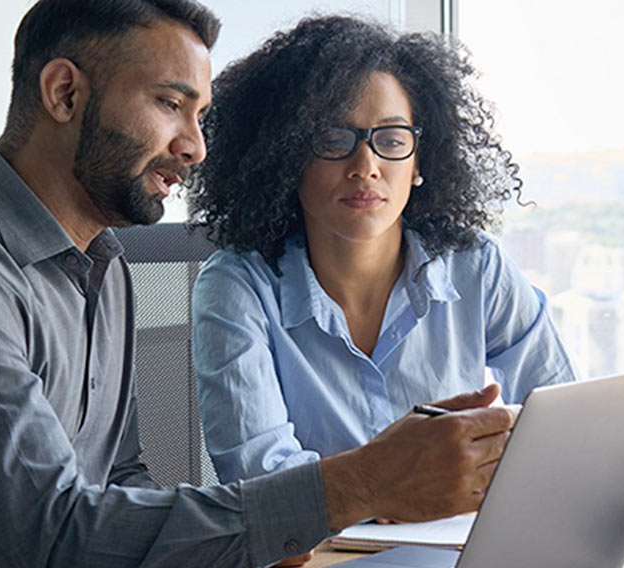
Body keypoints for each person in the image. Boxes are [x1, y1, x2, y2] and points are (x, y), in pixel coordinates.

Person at [0, 2, 517, 567]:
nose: (193, 147)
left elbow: (118, 482)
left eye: (200, 116)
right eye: (170, 105)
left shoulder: (102, 266)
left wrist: (270, 535)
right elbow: (56, 536)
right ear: (64, 94)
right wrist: (357, 485)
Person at [189, 16, 575, 489]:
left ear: (418, 163)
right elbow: (262, 483)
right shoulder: (236, 287)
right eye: (334, 139)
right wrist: (392, 486)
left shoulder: (477, 266)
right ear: (288, 156)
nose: (366, 166)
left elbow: (563, 419)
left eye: (391, 140)